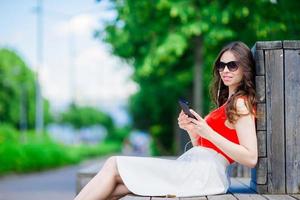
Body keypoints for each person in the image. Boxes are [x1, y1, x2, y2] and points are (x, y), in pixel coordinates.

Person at [74, 41, 258, 200]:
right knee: (113, 187)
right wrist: (192, 130)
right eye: (221, 65)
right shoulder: (227, 103)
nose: (225, 70)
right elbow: (207, 147)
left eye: (232, 65)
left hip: (202, 174)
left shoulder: (241, 104)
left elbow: (250, 157)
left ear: (245, 68)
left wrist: (208, 131)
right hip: (196, 170)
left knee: (113, 164)